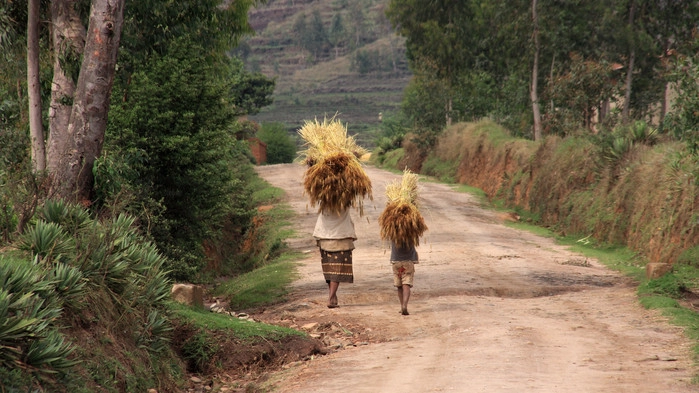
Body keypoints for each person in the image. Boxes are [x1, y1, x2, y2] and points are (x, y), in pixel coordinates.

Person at [313, 207, 357, 308]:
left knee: (330, 269)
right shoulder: (344, 203)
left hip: (325, 237)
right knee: (336, 270)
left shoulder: (324, 201)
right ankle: (331, 297)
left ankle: (333, 297)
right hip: (341, 239)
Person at [390, 240, 418, 315]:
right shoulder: (411, 234)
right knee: (406, 284)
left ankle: (402, 305)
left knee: (399, 286)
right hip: (408, 262)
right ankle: (405, 305)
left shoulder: (393, 235)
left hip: (396, 262)